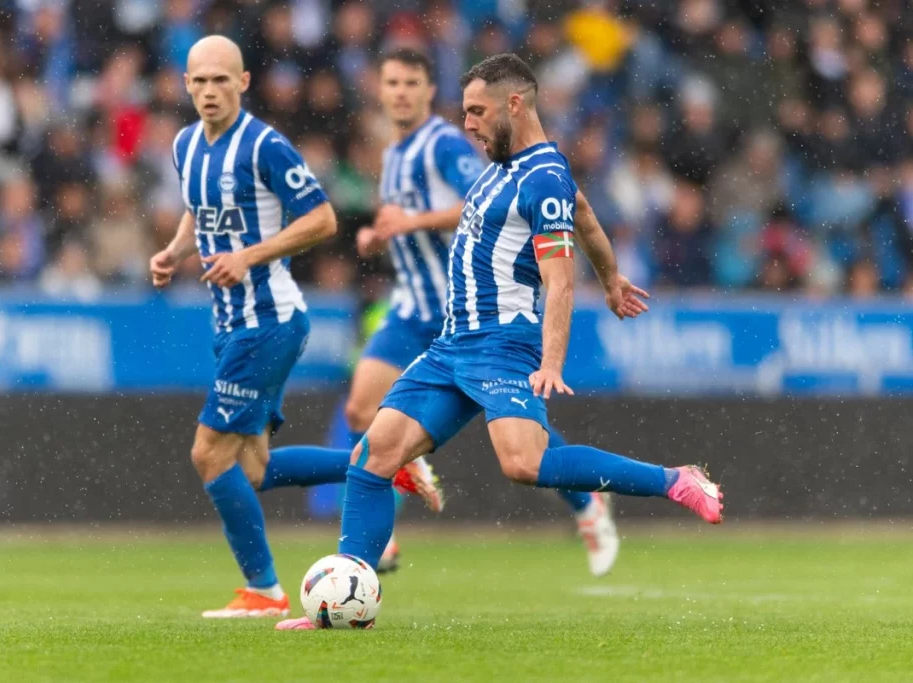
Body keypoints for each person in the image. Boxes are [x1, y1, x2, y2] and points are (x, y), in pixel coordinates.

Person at [276, 54, 723, 630]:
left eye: (477, 111)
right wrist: (612, 278)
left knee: (523, 463)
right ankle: (345, 600)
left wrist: (552, 359)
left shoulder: (541, 176)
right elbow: (585, 215)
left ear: (515, 104)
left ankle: (677, 480)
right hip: (450, 344)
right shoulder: (504, 167)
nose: (468, 124)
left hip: (501, 347)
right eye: (465, 112)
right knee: (371, 457)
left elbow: (560, 279)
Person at [273, 48, 622, 576]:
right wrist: (380, 236)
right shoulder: (393, 154)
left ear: (427, 92)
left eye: (412, 82)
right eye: (391, 82)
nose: (400, 92)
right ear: (380, 88)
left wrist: (410, 222)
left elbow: (481, 206)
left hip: (463, 309)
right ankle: (387, 510)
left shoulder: (446, 147)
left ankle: (582, 499)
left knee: (515, 432)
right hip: (411, 305)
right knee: (360, 411)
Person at [148, 36, 431, 620]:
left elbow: (323, 218)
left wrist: (250, 255)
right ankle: (382, 463)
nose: (208, 91)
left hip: (268, 320)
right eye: (198, 81)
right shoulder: (184, 145)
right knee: (253, 467)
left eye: (220, 81)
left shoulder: (264, 145)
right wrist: (176, 251)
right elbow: (198, 209)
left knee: (208, 455)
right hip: (231, 323)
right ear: (185, 85)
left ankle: (264, 589)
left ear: (243, 82)